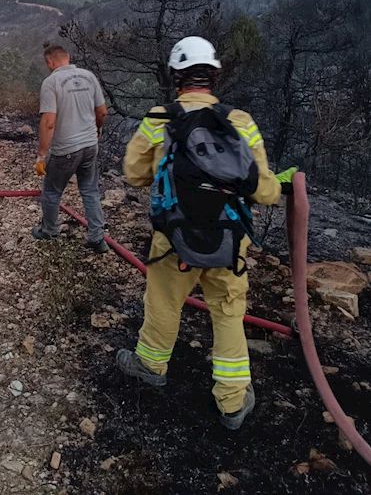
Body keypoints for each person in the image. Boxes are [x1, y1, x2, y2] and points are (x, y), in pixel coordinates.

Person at [116, 36, 297, 429]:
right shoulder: (240, 121)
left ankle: (150, 364)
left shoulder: (159, 118)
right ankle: (232, 402)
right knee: (229, 311)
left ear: (175, 76)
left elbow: (133, 173)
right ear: (215, 75)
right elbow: (264, 190)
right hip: (229, 239)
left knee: (164, 301)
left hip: (174, 238)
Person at [33, 44, 109, 254]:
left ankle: (49, 230)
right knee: (90, 191)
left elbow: (48, 122)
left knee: (51, 191)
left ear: (50, 61)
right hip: (90, 146)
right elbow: (102, 112)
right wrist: (98, 129)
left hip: (65, 149)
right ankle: (97, 237)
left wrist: (41, 155)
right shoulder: (89, 76)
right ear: (67, 58)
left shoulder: (51, 82)